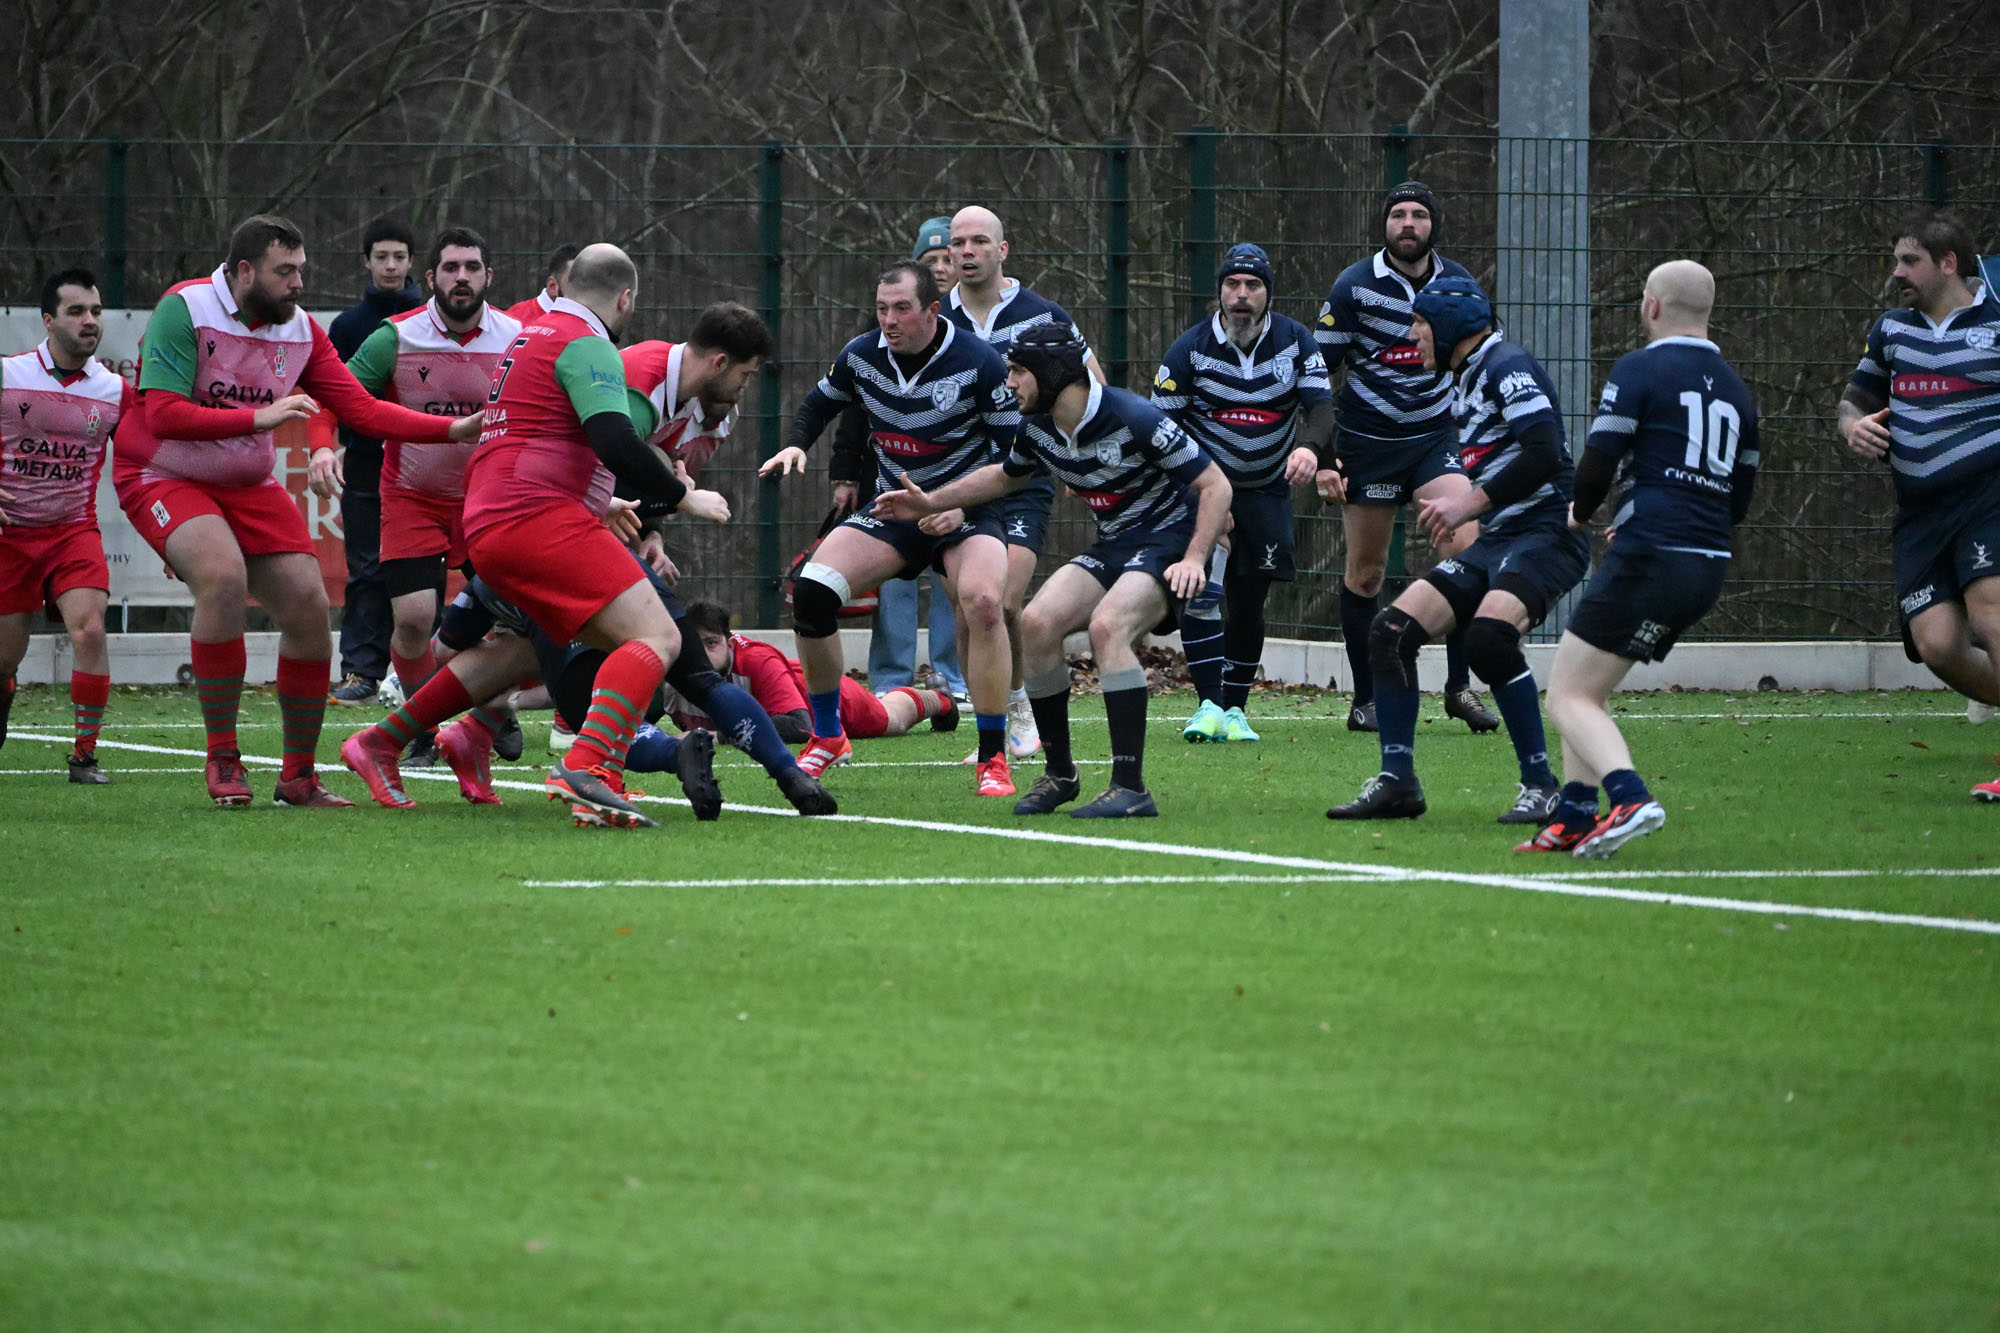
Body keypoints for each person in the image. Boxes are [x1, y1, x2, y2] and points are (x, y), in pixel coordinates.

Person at [341, 243, 731, 828]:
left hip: (489, 519)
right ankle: (589, 767)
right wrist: (683, 496)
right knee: (658, 636)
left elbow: (545, 433)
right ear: (625, 299)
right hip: (537, 518)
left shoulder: (530, 335)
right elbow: (615, 440)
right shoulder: (588, 343)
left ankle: (383, 740)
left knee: (528, 648)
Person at [114, 213, 482, 808]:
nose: (298, 283)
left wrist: (450, 430)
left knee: (310, 608)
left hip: (247, 481)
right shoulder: (185, 309)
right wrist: (257, 418)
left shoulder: (301, 329)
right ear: (244, 271)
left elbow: (360, 409)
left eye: (301, 270)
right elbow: (161, 414)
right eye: (285, 271)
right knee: (223, 578)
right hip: (162, 472)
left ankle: (299, 778)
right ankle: (224, 757)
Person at [875, 322, 1232, 818]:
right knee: (1036, 625)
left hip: (1171, 540)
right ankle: (1061, 774)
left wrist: (1195, 557)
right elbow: (1003, 478)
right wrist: (930, 502)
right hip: (1117, 543)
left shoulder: (1133, 415)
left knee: (1108, 627)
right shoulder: (1038, 428)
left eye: (1018, 371)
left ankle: (1130, 787)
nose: (1009, 383)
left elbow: (1216, 486)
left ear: (1053, 374)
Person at [1326, 277, 1589, 824]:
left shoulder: (1506, 366)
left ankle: (1542, 786)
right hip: (1501, 540)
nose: (1412, 337)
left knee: (1489, 639)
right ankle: (1398, 782)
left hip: (1547, 535)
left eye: (1420, 324)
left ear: (1449, 327)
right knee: (1391, 632)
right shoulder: (1462, 377)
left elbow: (1545, 452)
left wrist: (1467, 506)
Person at [758, 258, 1020, 797]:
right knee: (812, 592)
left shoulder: (979, 362)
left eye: (901, 308)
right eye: (882, 309)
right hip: (896, 511)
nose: (889, 320)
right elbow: (818, 405)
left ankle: (993, 756)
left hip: (965, 514)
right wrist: (794, 445)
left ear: (932, 309)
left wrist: (958, 507)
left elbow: (1013, 459)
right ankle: (827, 735)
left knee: (984, 603)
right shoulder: (861, 355)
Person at [1534, 260, 1761, 856]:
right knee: (1586, 687)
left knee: (1566, 696)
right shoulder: (1738, 392)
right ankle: (1575, 816)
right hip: (1704, 563)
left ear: (1651, 306)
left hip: (1652, 552)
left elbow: (1599, 459)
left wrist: (1580, 514)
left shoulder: (1639, 368)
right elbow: (1737, 500)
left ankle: (1630, 797)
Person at [1314, 181, 1498, 735]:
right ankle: (1367, 699)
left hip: (1434, 439)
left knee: (1466, 551)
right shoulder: (1353, 285)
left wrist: (1484, 435)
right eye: (1398, 214)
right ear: (1385, 224)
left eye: (1419, 214)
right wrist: (1324, 454)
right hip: (1367, 443)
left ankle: (1459, 687)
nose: (1409, 224)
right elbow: (1316, 374)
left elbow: (1484, 358)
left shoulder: (1460, 284)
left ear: (1434, 224)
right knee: (1366, 573)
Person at [1836, 210, 2000, 803]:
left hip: (1987, 497)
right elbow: (1853, 401)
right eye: (1896, 261)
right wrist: (1853, 428)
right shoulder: (1891, 330)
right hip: (1920, 514)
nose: (1897, 272)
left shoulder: (1996, 320)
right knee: (1938, 646)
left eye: (1910, 261)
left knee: (1990, 616)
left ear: (1948, 263)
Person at [945, 204, 1108, 760]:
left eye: (978, 241)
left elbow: (1092, 385)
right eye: (958, 243)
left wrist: (1082, 456)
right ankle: (991, 722)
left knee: (1005, 601)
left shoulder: (1042, 314)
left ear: (1002, 250)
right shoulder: (935, 318)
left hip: (1023, 476)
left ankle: (1019, 709)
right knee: (968, 608)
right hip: (958, 482)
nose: (967, 252)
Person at [1153, 242, 1333, 743]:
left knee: (1250, 601)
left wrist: (1311, 449)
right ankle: (1207, 705)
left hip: (1266, 491)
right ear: (1220, 292)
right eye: (1232, 284)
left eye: (1253, 285)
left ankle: (1234, 710)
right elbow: (1161, 430)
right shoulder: (1189, 348)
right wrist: (1202, 498)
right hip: (1204, 490)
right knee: (1203, 593)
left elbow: (1321, 407)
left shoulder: (1296, 341)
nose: (1241, 295)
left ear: (1268, 293)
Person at [341, 226, 522, 712]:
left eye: (472, 267)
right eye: (450, 267)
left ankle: (490, 712)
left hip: (490, 501)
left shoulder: (517, 339)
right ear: (430, 277)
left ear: (489, 276)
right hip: (412, 496)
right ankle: (422, 725)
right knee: (415, 620)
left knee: (520, 619)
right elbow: (337, 395)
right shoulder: (396, 337)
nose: (461, 277)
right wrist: (321, 448)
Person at [0, 269, 136, 782]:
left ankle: (84, 756)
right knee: (4, 659)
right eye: (76, 311)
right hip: (10, 536)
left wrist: (174, 541)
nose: (89, 321)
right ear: (47, 320)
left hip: (72, 531)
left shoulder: (115, 391)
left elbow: (147, 467)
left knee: (92, 630)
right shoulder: (9, 375)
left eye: (96, 311)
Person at [837, 216, 967, 701]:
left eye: (946, 259)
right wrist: (844, 472)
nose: (941, 267)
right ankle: (891, 679)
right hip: (889, 476)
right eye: (929, 261)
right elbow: (852, 404)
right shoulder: (880, 333)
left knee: (953, 571)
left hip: (954, 478)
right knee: (892, 575)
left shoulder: (970, 333)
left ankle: (952, 677)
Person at [627, 599, 956, 776]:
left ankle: (940, 699)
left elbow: (800, 726)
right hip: (790, 685)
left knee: (891, 718)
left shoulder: (756, 661)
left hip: (824, 698)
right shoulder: (671, 670)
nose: (702, 653)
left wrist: (718, 736)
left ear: (729, 643)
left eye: (711, 643)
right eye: (695, 645)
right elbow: (631, 721)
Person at [326, 216, 423, 707]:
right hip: (365, 462)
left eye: (399, 257)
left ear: (412, 262)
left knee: (423, 574)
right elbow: (332, 396)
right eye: (381, 256)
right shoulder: (346, 327)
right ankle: (361, 671)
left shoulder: (431, 322)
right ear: (365, 261)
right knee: (366, 569)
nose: (390, 266)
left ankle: (423, 674)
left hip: (426, 466)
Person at [504, 243, 579, 324]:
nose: (584, 287)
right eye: (575, 280)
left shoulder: (586, 318)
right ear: (552, 286)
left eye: (586, 280)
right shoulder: (515, 319)